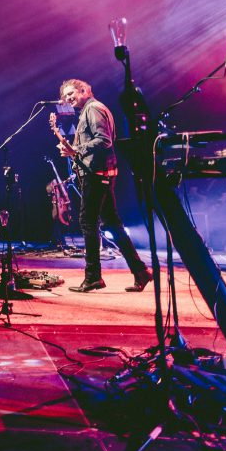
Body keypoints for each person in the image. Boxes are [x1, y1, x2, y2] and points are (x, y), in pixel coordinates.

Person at [56, 79, 153, 293]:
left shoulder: (93, 109)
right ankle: (140, 271)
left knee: (87, 222)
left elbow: (104, 140)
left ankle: (93, 277)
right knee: (112, 224)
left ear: (84, 90)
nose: (68, 99)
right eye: (65, 96)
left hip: (96, 175)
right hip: (100, 173)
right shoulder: (90, 110)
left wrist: (76, 150)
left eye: (71, 93)